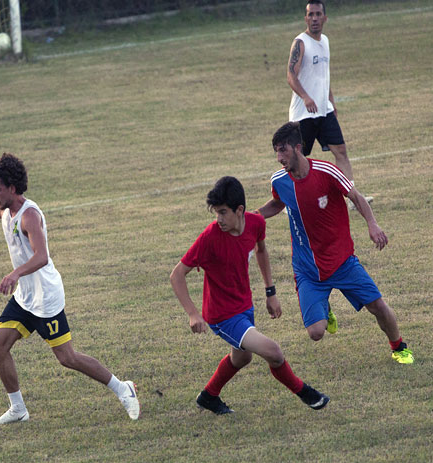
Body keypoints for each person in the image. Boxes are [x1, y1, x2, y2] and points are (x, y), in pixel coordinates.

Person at [0, 153, 140, 425]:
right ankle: (18, 409)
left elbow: (42, 256)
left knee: (68, 358)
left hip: (46, 298)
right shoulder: (6, 208)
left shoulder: (29, 216)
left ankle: (123, 388)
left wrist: (15, 273)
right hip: (25, 297)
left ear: (12, 189)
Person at [255, 122, 413, 364]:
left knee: (378, 306)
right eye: (276, 151)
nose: (278, 157)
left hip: (342, 262)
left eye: (283, 150)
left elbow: (356, 197)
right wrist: (251, 217)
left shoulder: (327, 171)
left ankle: (399, 347)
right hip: (307, 269)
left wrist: (372, 224)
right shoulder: (279, 181)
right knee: (316, 333)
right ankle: (324, 308)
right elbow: (278, 203)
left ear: (298, 148)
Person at [170, 176, 329, 415]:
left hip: (244, 306)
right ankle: (306, 394)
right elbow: (177, 275)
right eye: (216, 213)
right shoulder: (210, 236)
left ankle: (208, 396)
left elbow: (261, 250)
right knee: (273, 352)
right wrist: (193, 313)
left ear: (240, 210)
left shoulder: (255, 223)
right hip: (222, 315)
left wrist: (270, 292)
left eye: (223, 212)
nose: (219, 219)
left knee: (242, 359)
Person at [287, 0, 372, 210]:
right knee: (295, 158)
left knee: (341, 151)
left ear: (325, 18)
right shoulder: (300, 43)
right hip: (303, 114)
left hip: (324, 111)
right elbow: (290, 75)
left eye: (318, 14)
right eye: (310, 15)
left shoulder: (325, 41)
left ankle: (352, 198)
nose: (314, 18)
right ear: (305, 18)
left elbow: (323, 76)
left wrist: (330, 102)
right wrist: (306, 97)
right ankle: (289, 202)